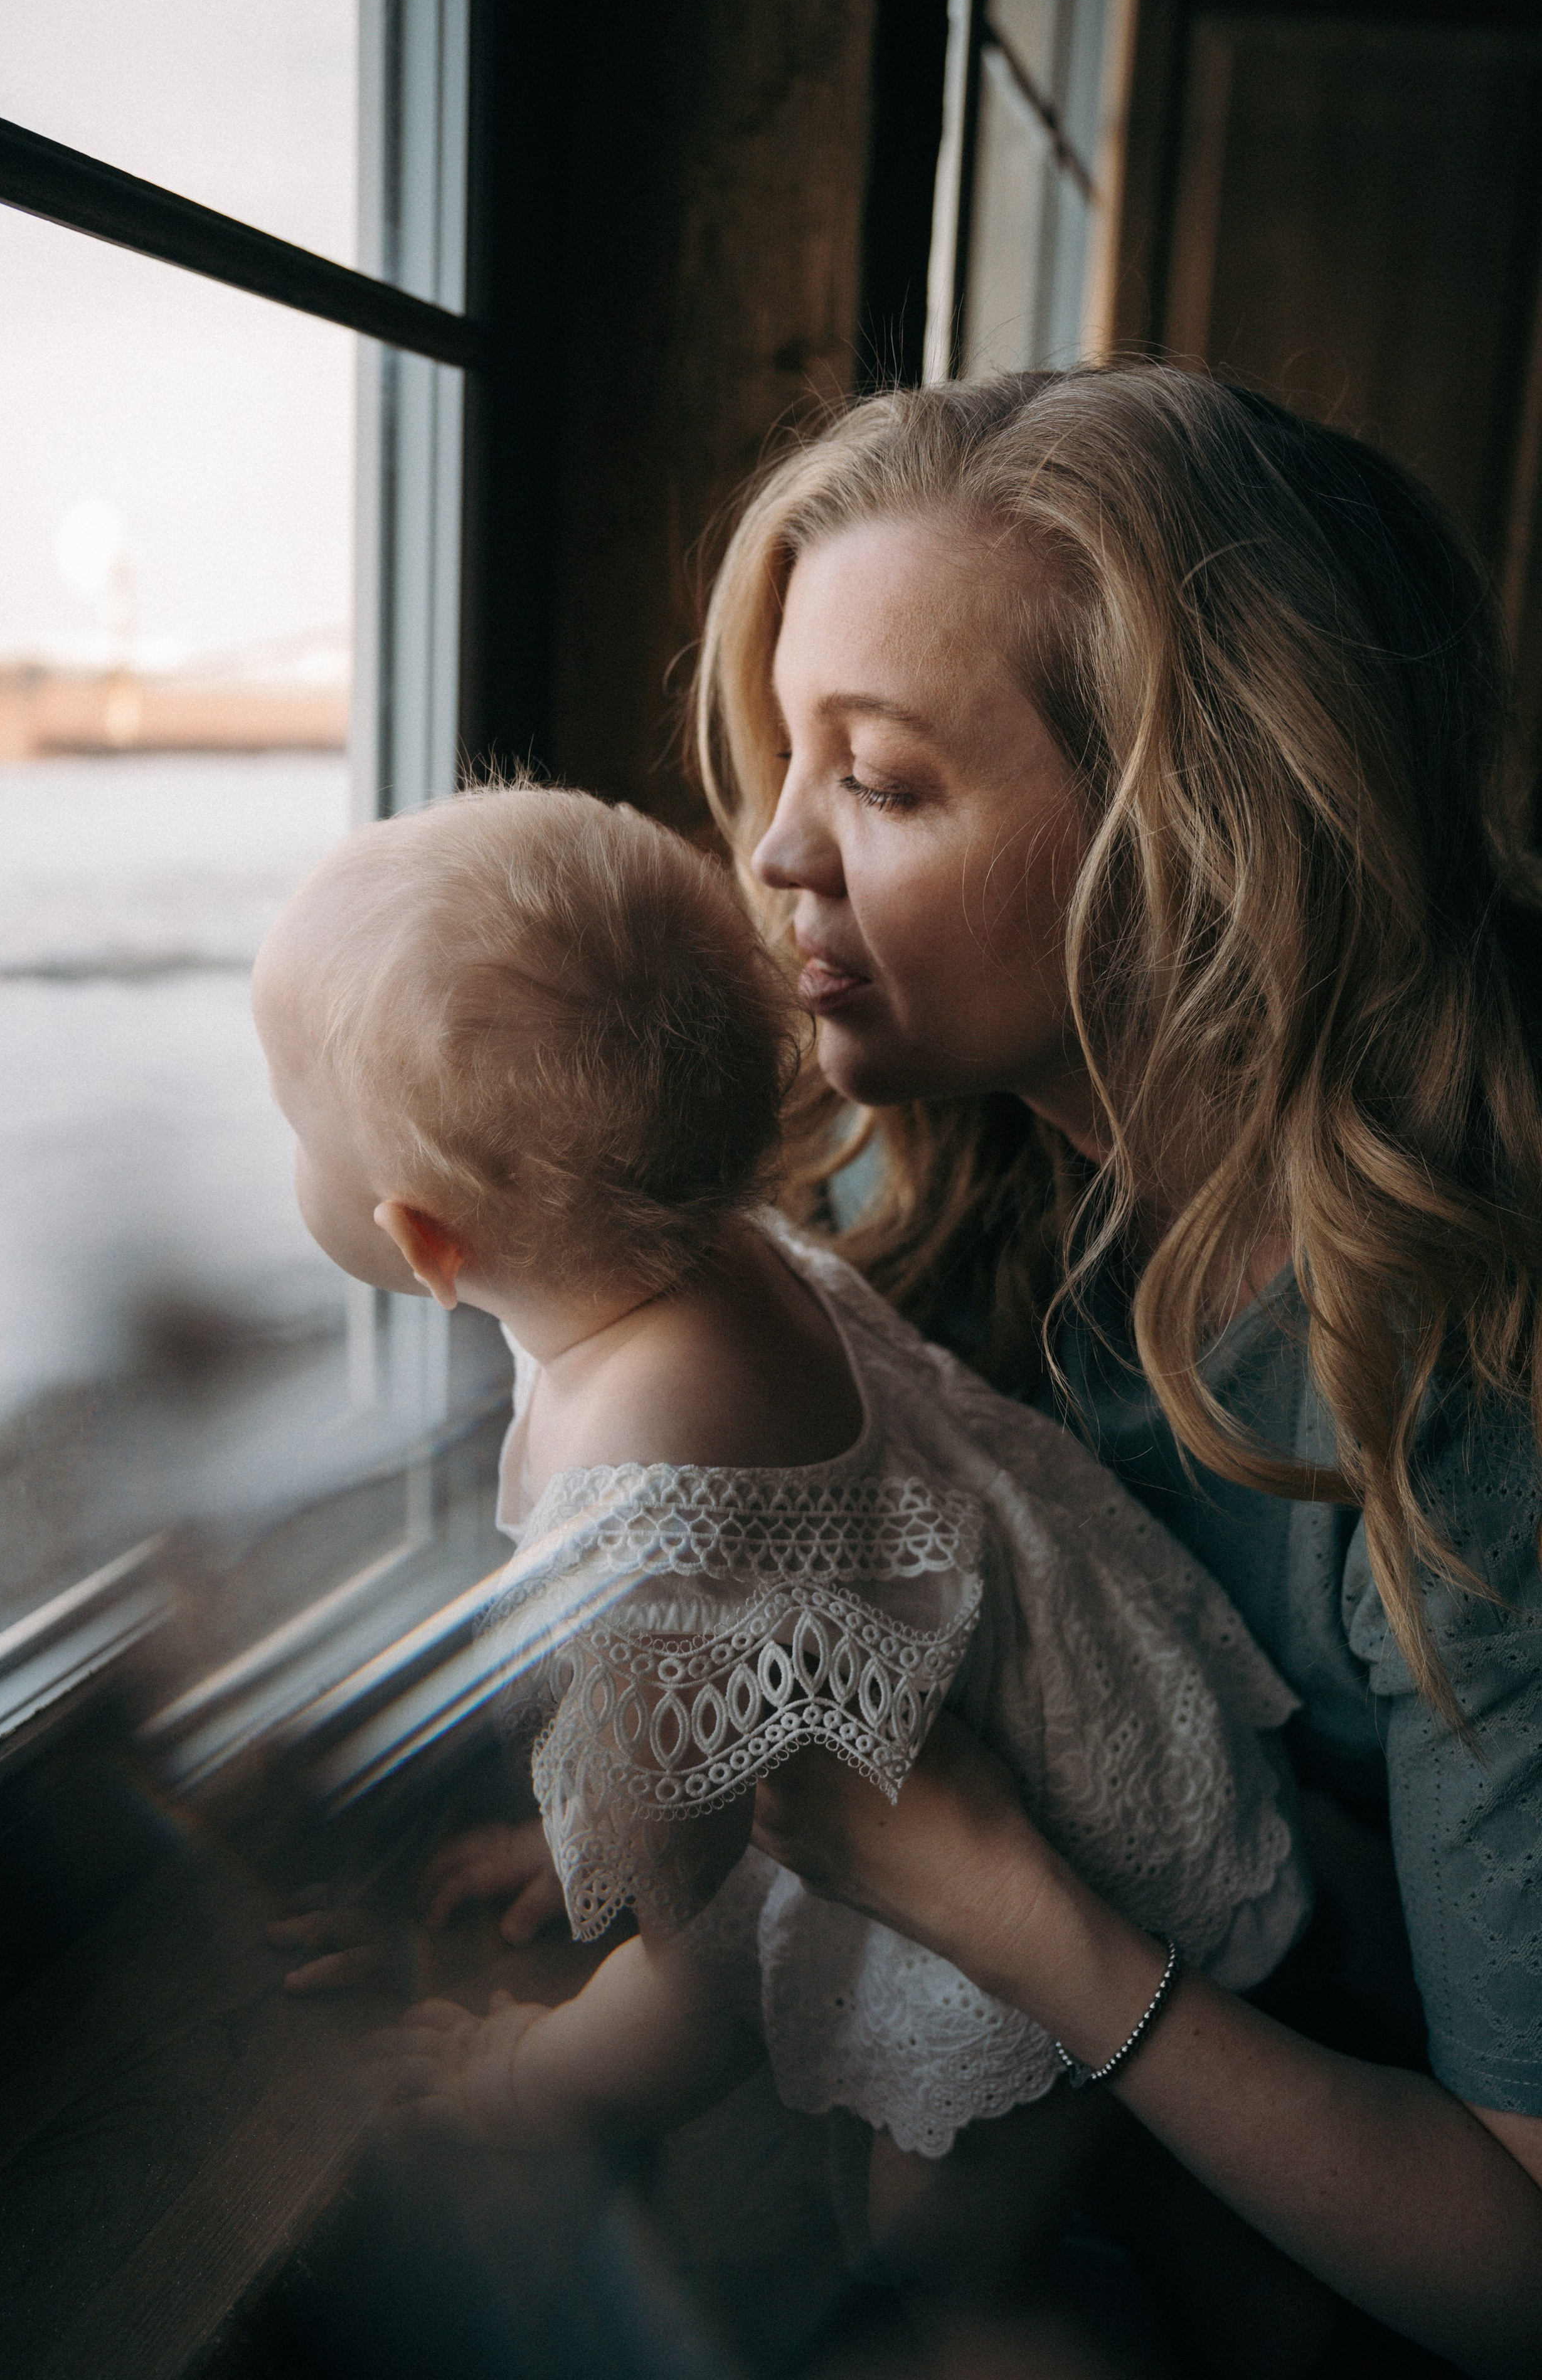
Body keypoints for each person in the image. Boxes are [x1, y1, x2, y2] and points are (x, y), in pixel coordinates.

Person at [670, 364, 1542, 2376]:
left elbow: (1518, 2268)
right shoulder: (974, 1187)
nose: (779, 850)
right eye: (784, 759)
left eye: (882, 783)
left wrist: (1020, 1923)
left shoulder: (1473, 1392)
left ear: (1199, 834)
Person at [252, 778, 1313, 2362]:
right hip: (1040, 1710)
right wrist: (594, 1833)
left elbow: (705, 1987)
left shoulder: (634, 1503)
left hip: (1028, 1866)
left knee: (942, 2252)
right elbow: (748, 1687)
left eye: (290, 1123)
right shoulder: (699, 1248)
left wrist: (512, 2082)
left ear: (425, 1244)